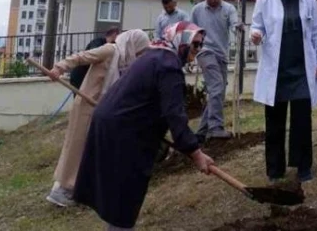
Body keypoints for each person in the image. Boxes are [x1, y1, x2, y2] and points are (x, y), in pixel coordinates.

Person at [73, 22, 214, 231]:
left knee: (118, 196)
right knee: (125, 195)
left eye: (200, 45)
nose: (197, 50)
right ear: (181, 40)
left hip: (112, 123)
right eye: (194, 44)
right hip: (124, 132)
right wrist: (196, 153)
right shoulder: (168, 65)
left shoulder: (154, 55)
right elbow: (174, 114)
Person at [45, 29, 149, 207]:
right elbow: (81, 57)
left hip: (102, 110)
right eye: (140, 51)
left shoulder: (126, 62)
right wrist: (59, 68)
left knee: (92, 149)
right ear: (133, 44)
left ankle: (79, 188)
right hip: (86, 106)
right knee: (76, 147)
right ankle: (62, 190)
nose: (139, 55)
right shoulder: (110, 50)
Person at [250, 0, 317, 184]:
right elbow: (257, 25)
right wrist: (256, 35)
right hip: (277, 71)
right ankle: (275, 170)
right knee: (274, 123)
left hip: (302, 70)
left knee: (302, 121)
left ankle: (303, 167)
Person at [190, 0, 239, 139]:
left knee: (218, 93)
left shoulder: (229, 9)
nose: (211, 1)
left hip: (221, 55)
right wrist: (193, 49)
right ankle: (216, 128)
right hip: (205, 52)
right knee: (217, 86)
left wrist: (237, 27)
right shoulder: (197, 10)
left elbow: (234, 23)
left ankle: (201, 132)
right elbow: (191, 31)